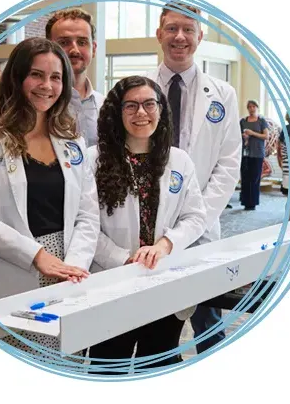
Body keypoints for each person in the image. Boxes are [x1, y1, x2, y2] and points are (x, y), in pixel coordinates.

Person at [0, 37, 99, 362]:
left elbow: (88, 214)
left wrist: (75, 263)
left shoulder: (71, 139)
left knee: (69, 363)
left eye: (56, 77)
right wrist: (36, 255)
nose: (47, 86)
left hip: (69, 269)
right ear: (17, 78)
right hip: (14, 267)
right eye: (37, 75)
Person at [88, 75, 207, 373]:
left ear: (160, 110)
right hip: (112, 282)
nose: (141, 113)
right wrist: (124, 259)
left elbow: (195, 217)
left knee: (160, 362)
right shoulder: (94, 160)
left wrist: (165, 245)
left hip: (162, 280)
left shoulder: (179, 161)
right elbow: (85, 225)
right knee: (108, 365)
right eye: (131, 105)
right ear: (117, 112)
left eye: (149, 104)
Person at [148, 1, 242, 354]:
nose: (180, 36)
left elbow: (229, 163)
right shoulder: (138, 88)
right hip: (149, 231)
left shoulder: (224, 94)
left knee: (209, 325)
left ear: (200, 37)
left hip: (204, 231)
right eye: (172, 28)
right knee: (154, 325)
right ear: (159, 34)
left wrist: (196, 218)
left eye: (188, 29)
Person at [46, 8, 104, 147]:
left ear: (94, 48)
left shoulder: (105, 105)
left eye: (82, 42)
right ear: (48, 48)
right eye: (64, 43)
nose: (74, 50)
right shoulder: (40, 105)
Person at [239, 99, 270, 210]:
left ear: (257, 107)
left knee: (255, 178)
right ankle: (245, 201)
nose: (251, 109)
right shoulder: (243, 121)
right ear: (247, 108)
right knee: (245, 178)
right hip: (245, 153)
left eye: (253, 106)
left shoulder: (262, 121)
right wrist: (244, 136)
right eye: (249, 107)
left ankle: (253, 203)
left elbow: (266, 136)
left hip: (257, 153)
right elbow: (237, 136)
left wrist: (252, 133)